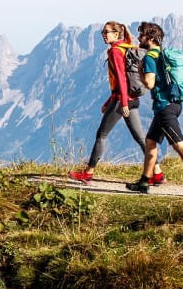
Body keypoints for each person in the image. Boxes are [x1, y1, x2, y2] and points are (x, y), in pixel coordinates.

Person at [69, 21, 164, 184]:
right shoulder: (126, 46)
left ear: (116, 34)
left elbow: (121, 77)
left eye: (107, 32)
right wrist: (110, 101)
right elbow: (128, 43)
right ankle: (157, 173)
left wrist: (123, 103)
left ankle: (88, 172)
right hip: (132, 99)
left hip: (123, 100)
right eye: (103, 32)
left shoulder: (114, 51)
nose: (104, 35)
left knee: (101, 135)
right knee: (141, 138)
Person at [125, 21, 183, 197]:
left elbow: (149, 83)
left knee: (179, 145)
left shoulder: (149, 58)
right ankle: (143, 182)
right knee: (150, 142)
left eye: (141, 34)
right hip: (173, 105)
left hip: (165, 108)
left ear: (150, 38)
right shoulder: (163, 55)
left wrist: (140, 70)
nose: (139, 37)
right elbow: (178, 82)